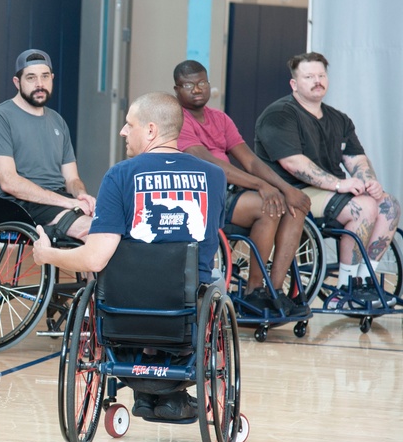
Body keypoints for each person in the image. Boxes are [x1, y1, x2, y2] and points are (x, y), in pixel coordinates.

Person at [32, 92, 226, 420]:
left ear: (150, 130)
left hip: (125, 314)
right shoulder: (215, 177)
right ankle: (206, 404)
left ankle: (147, 389)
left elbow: (95, 259)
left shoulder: (120, 176)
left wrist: (48, 254)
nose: (123, 131)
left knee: (116, 277)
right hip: (187, 313)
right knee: (215, 283)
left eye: (129, 124)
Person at [255, 52, 401, 308]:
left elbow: (356, 159)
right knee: (364, 207)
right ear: (294, 84)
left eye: (321, 75)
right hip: (292, 192)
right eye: (309, 76)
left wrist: (369, 183)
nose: (317, 81)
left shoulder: (339, 119)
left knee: (389, 205)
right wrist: (339, 184)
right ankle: (345, 289)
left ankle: (365, 281)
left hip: (331, 192)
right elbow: (293, 163)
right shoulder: (279, 114)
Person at [173, 59, 311, 318]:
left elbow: (250, 160)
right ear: (177, 89)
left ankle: (275, 291)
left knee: (293, 206)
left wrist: (284, 188)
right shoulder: (178, 120)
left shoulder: (220, 119)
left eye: (202, 82)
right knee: (267, 207)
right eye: (188, 85)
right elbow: (214, 166)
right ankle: (254, 291)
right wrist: (262, 186)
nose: (196, 89)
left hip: (227, 194)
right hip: (200, 198)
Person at [0, 49, 95, 241]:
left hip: (58, 200)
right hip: (19, 205)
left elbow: (71, 178)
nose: (40, 84)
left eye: (44, 77)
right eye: (31, 78)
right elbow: (9, 182)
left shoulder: (57, 121)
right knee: (96, 232)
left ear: (52, 78)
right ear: (17, 82)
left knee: (112, 227)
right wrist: (67, 203)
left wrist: (82, 195)